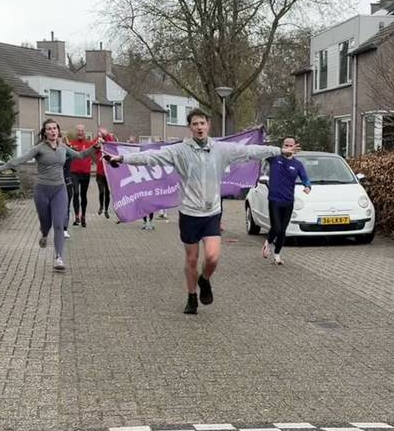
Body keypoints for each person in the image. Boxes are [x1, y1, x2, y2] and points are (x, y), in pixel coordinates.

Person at [105, 108, 289, 314]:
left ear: (208, 125)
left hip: (211, 212)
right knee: (192, 259)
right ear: (190, 127)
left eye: (202, 123)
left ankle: (205, 279)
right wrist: (122, 159)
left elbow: (249, 152)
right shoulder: (179, 151)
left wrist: (279, 151)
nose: (199, 127)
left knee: (212, 258)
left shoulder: (221, 149)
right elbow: (151, 157)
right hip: (190, 214)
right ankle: (192, 297)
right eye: (195, 124)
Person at [0, 119, 102, 272]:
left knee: (58, 224)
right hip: (42, 190)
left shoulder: (63, 147)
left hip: (59, 190)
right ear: (45, 132)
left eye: (54, 128)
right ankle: (44, 234)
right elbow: (20, 159)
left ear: (58, 131)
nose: (52, 131)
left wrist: (94, 147)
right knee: (46, 223)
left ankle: (59, 257)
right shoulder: (39, 149)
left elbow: (81, 155)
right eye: (49, 129)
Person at [263, 137, 312, 265]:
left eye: (291, 145)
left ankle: (277, 254)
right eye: (286, 145)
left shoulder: (297, 164)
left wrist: (307, 186)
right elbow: (262, 151)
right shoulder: (274, 159)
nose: (289, 147)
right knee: (276, 227)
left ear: (295, 147)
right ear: (282, 146)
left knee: (283, 230)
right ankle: (267, 242)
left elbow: (305, 178)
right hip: (274, 200)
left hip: (288, 201)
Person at [68, 124, 95, 227]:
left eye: (82, 130)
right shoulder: (71, 144)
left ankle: (83, 216)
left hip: (85, 173)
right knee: (75, 193)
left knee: (83, 195)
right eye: (78, 130)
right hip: (74, 173)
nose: (80, 132)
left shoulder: (89, 144)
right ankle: (77, 216)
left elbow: (99, 146)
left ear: (84, 132)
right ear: (76, 132)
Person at [95, 127, 112, 218]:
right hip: (100, 172)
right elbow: (94, 147)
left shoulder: (108, 142)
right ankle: (101, 206)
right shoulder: (98, 142)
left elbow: (113, 144)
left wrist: (106, 135)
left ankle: (106, 210)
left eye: (103, 132)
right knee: (101, 191)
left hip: (108, 172)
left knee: (107, 192)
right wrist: (99, 140)